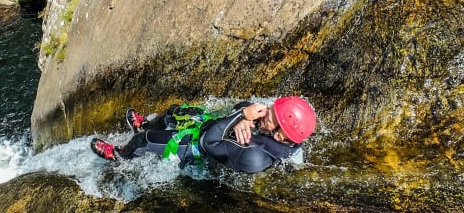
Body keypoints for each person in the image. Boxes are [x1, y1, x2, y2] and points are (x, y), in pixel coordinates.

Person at [90, 96, 316, 173]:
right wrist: (245, 114)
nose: (264, 113)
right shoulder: (287, 137)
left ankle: (119, 156)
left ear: (279, 136)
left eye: (269, 117)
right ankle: (146, 125)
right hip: (216, 131)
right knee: (175, 111)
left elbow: (209, 143)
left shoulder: (254, 157)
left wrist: (240, 118)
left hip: (200, 149)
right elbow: (240, 105)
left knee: (143, 142)